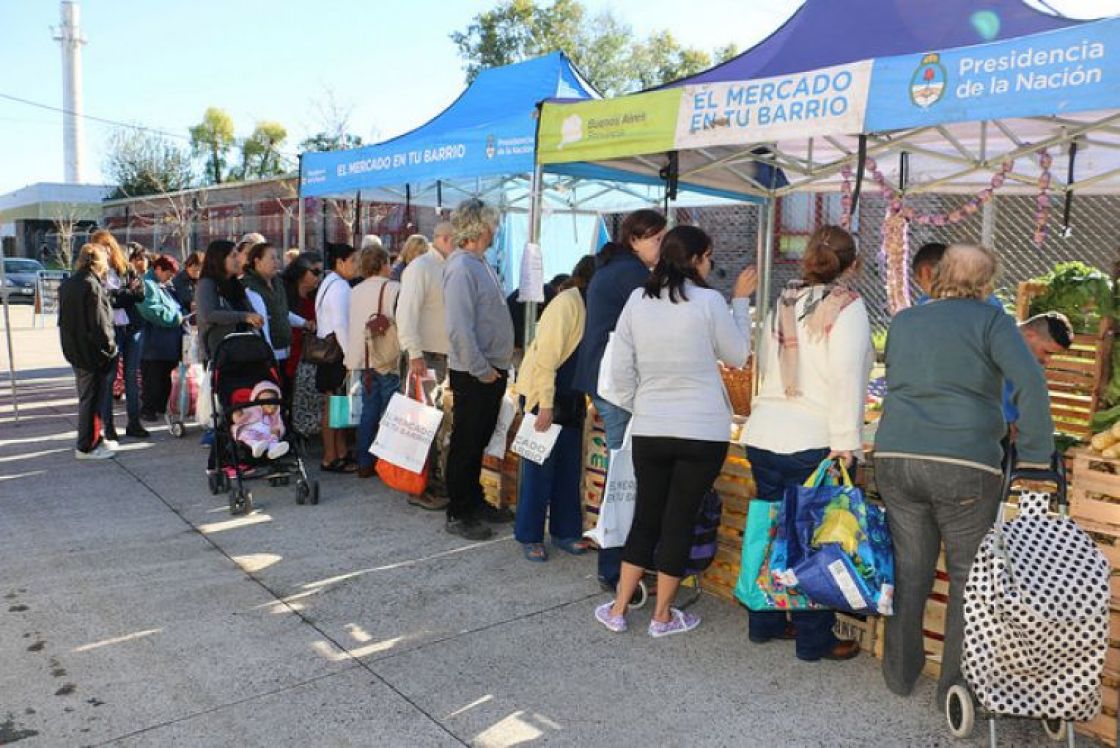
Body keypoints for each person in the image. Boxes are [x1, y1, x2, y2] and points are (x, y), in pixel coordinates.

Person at [875, 244, 1054, 708]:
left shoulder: (904, 320)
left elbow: (897, 375)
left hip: (896, 456)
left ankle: (899, 674)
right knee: (966, 580)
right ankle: (953, 690)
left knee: (910, 570)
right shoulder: (992, 321)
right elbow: (1030, 382)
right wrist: (1036, 455)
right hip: (965, 465)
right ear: (986, 283)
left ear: (937, 276)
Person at [595, 226, 755, 637]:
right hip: (703, 429)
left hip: (652, 425)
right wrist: (740, 301)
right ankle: (662, 615)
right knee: (679, 519)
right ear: (698, 259)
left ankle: (617, 608)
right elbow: (737, 354)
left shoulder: (638, 299)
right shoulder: (708, 301)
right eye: (709, 258)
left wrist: (640, 405)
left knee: (645, 516)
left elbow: (619, 370)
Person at [741, 225, 873, 662]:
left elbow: (765, 359)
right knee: (814, 539)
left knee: (772, 529)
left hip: (765, 430)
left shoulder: (785, 298)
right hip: (815, 437)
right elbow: (847, 378)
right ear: (851, 264)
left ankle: (765, 621)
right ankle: (813, 640)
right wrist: (847, 442)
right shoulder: (848, 307)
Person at [571, 209, 667, 593]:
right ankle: (617, 566)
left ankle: (622, 562)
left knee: (623, 474)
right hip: (617, 385)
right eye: (656, 239)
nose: (661, 247)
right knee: (626, 477)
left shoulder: (615, 268)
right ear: (634, 240)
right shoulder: (633, 275)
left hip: (607, 382)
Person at [513, 257, 596, 562]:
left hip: (571, 396)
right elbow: (546, 358)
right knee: (538, 470)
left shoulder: (592, 305)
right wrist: (544, 405)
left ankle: (565, 531)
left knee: (568, 468)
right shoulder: (566, 304)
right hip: (544, 394)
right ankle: (529, 535)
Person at [442, 199, 516, 540]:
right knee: (467, 442)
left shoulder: (479, 263)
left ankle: (473, 500)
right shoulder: (461, 268)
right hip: (476, 371)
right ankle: (459, 511)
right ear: (479, 226)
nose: (495, 230)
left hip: (489, 369)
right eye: (492, 224)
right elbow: (459, 328)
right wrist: (480, 368)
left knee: (479, 439)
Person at [397, 220, 455, 511]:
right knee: (421, 422)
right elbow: (405, 313)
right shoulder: (421, 268)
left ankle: (429, 481)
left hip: (441, 356)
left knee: (433, 422)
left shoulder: (445, 266)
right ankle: (418, 487)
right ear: (445, 238)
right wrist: (415, 353)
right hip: (425, 357)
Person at [345, 245, 401, 478]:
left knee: (369, 411)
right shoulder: (394, 288)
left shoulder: (354, 290)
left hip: (364, 358)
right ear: (383, 264)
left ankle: (365, 462)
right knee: (390, 411)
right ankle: (388, 463)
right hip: (386, 358)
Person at [59, 244, 118, 460]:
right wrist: (110, 348)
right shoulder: (91, 285)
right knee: (92, 400)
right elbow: (100, 324)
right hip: (92, 353)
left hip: (76, 350)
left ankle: (93, 440)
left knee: (88, 398)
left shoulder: (70, 284)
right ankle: (86, 445)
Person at [90, 229, 146, 442]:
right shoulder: (95, 273)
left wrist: (120, 295)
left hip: (132, 328)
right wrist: (125, 294)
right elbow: (105, 300)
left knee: (132, 377)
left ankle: (134, 423)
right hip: (109, 330)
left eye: (107, 247)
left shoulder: (127, 268)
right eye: (99, 248)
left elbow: (140, 294)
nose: (104, 252)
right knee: (109, 379)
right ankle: (109, 427)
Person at [316, 242, 361, 473]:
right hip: (336, 355)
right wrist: (350, 357)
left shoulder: (329, 283)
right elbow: (341, 326)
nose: (356, 265)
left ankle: (339, 453)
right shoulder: (340, 288)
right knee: (334, 407)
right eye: (353, 260)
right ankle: (331, 456)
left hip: (329, 354)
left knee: (336, 406)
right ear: (340, 262)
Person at [242, 242, 310, 392]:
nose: (276, 262)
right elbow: (261, 323)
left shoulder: (277, 282)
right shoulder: (251, 287)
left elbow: (283, 312)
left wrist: (304, 323)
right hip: (268, 356)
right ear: (257, 261)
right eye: (272, 258)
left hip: (285, 350)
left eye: (277, 257)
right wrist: (269, 357)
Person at [195, 240, 264, 364]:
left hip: (243, 351)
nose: (238, 259)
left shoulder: (236, 285)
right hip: (220, 353)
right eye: (233, 256)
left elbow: (248, 309)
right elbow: (208, 314)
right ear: (219, 259)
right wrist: (245, 317)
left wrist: (255, 319)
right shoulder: (207, 284)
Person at [136, 255, 185, 423]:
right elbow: (150, 310)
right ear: (158, 269)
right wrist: (176, 318)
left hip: (166, 344)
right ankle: (148, 410)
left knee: (164, 379)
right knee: (153, 380)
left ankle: (160, 407)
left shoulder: (162, 285)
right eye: (168, 274)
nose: (170, 278)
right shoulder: (147, 285)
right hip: (154, 344)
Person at [282, 252, 322, 437]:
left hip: (311, 354)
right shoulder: (285, 293)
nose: (318, 277)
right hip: (291, 350)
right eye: (315, 272)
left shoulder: (318, 295)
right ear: (301, 272)